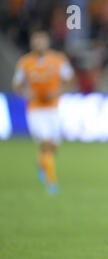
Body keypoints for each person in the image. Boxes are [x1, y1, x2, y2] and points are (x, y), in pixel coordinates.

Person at [12, 29, 74, 194]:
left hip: (53, 109)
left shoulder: (59, 60)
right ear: (32, 43)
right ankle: (51, 183)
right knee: (46, 145)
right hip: (36, 111)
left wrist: (58, 91)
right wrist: (26, 93)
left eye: (42, 40)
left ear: (47, 42)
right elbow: (17, 84)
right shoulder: (25, 62)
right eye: (36, 40)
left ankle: (41, 164)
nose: (39, 43)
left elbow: (69, 79)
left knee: (53, 147)